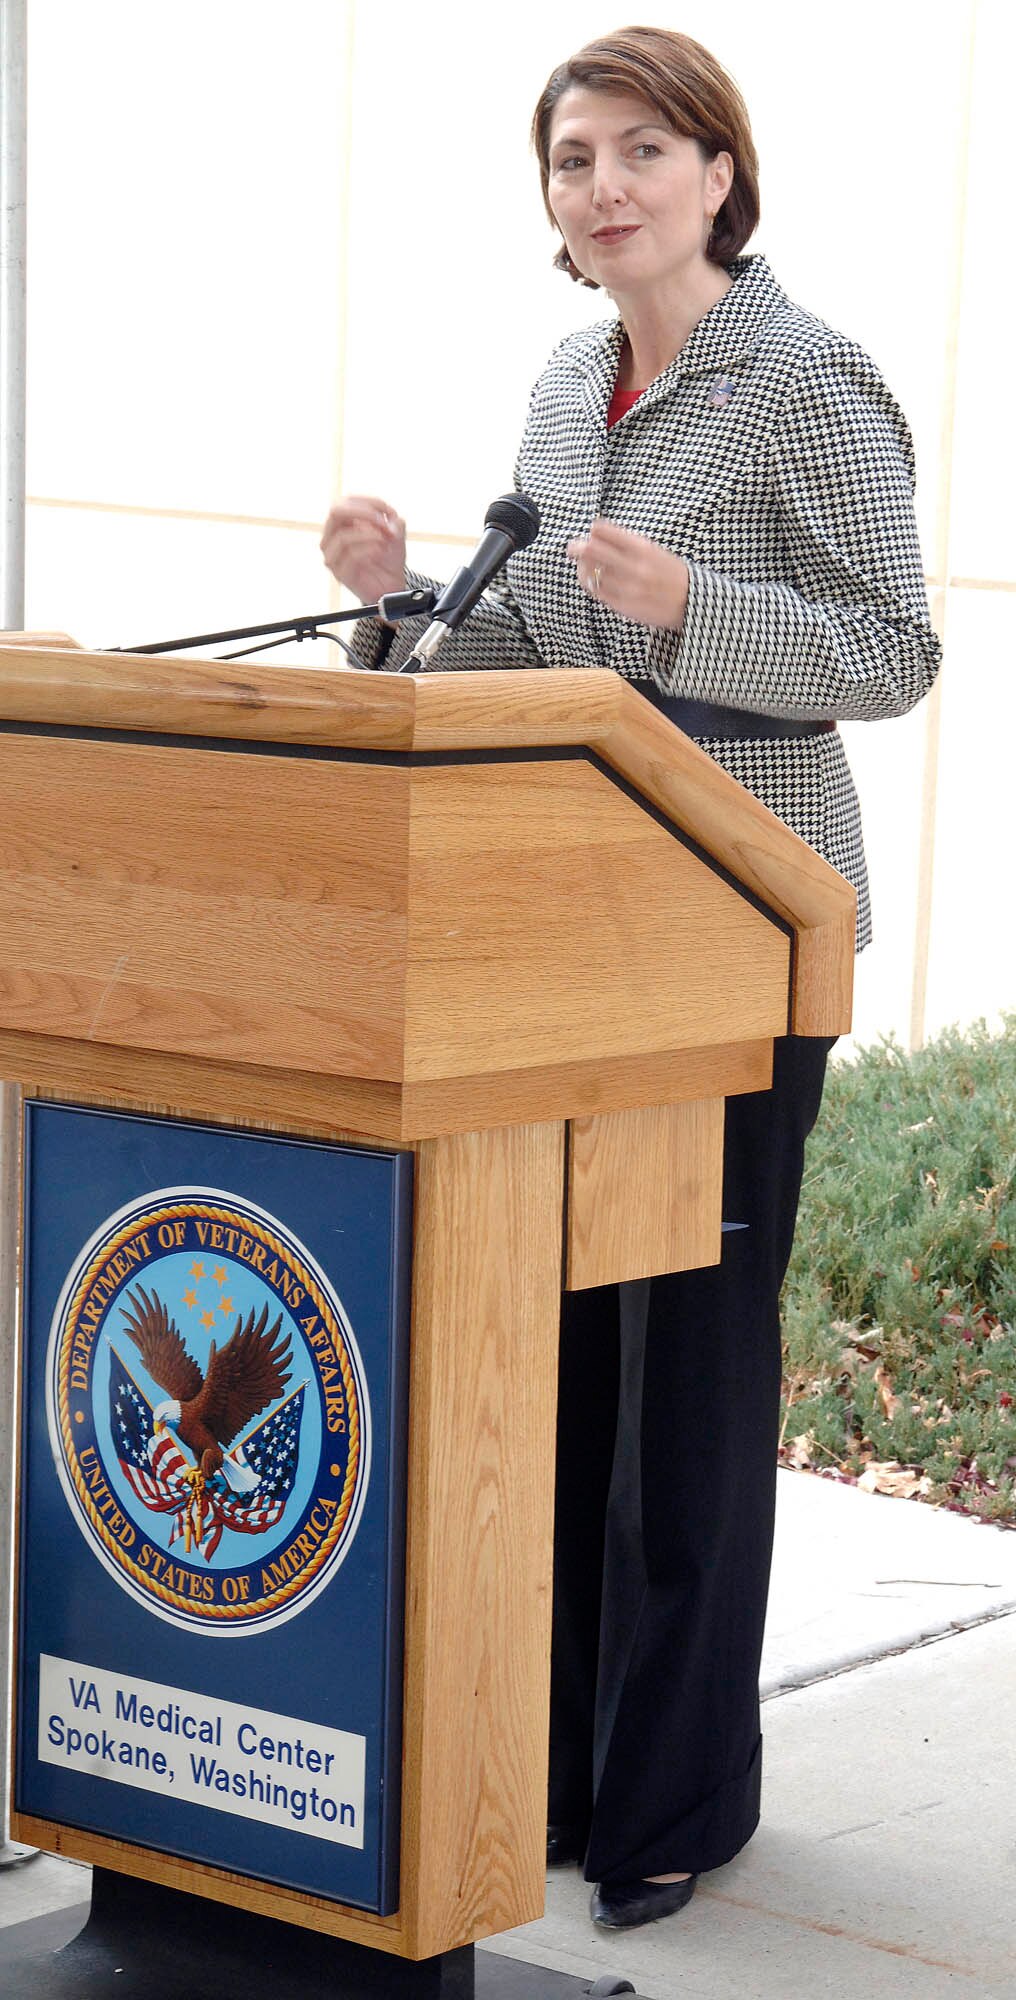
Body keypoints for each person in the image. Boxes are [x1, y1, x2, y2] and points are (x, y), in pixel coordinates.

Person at [321, 25, 941, 1931]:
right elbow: (516, 666)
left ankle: (680, 1796)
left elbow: (896, 648)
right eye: (575, 159)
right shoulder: (560, 385)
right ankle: (572, 1777)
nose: (605, 187)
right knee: (577, 1363)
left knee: (688, 1379)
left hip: (739, 934)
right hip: (572, 942)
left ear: (719, 175)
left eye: (643, 151)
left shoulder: (810, 375)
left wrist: (699, 610)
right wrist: (393, 603)